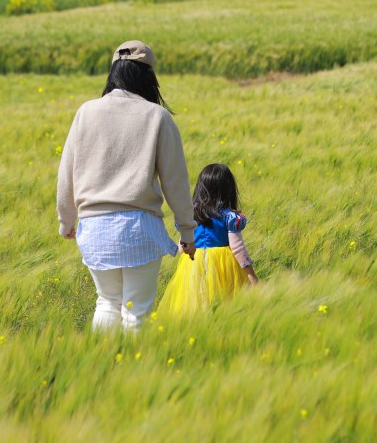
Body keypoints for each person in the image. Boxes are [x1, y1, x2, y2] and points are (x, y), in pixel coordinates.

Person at [56, 40, 197, 331]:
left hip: (94, 227)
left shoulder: (86, 112)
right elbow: (176, 181)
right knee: (137, 311)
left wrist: (66, 220)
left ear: (113, 73)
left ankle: (101, 368)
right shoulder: (158, 117)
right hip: (138, 228)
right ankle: (136, 372)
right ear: (148, 76)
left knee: (107, 302)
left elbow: (67, 171)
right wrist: (187, 230)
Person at [158, 163, 259, 316]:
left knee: (196, 302)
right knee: (226, 304)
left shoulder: (189, 216)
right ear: (228, 189)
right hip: (223, 265)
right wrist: (250, 274)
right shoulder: (229, 217)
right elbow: (237, 248)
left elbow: (182, 246)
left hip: (193, 263)